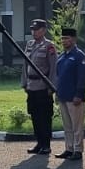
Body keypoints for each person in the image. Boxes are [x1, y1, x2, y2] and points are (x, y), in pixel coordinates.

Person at [23, 18, 58, 155]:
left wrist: (51, 86)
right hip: (32, 86)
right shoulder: (30, 44)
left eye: (37, 29)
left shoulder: (49, 46)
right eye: (33, 29)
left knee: (44, 116)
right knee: (34, 115)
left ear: (43, 30)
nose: (34, 32)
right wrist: (24, 82)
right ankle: (39, 142)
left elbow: (54, 68)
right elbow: (25, 65)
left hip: (43, 87)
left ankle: (46, 144)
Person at [55, 27, 85, 161]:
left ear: (74, 39)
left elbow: (82, 77)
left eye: (67, 38)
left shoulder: (79, 56)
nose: (64, 41)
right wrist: (57, 93)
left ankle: (78, 150)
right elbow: (58, 76)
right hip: (63, 95)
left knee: (77, 126)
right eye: (63, 38)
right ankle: (69, 148)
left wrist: (79, 94)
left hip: (75, 97)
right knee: (67, 126)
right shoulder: (62, 56)